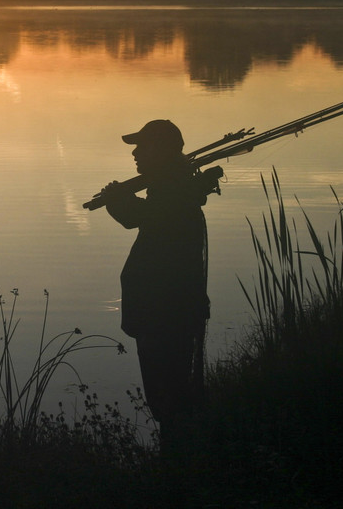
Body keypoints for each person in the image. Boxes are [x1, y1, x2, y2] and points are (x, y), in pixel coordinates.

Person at [100, 119, 212, 447]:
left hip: (164, 315)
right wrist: (120, 198)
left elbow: (141, 216)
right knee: (171, 397)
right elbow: (143, 214)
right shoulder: (172, 188)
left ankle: (179, 461)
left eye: (142, 146)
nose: (135, 153)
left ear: (160, 150)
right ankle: (179, 454)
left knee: (169, 397)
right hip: (164, 313)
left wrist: (116, 198)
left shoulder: (173, 192)